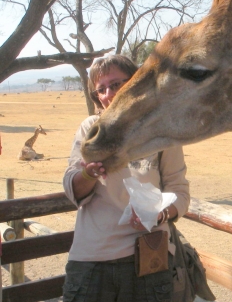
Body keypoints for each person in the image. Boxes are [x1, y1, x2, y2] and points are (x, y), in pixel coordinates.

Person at [62, 54, 190, 302]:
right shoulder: (91, 129)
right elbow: (73, 189)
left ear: (136, 82)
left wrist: (159, 214)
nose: (109, 93)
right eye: (101, 89)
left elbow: (180, 192)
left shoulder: (162, 131)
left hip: (149, 258)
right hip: (93, 260)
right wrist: (89, 174)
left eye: (116, 84)